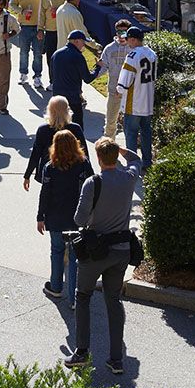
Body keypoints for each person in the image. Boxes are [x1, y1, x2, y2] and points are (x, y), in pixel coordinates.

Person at [64, 137, 141, 375]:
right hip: (121, 251)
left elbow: (79, 219)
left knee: (84, 297)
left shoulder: (92, 183)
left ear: (98, 159)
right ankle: (116, 359)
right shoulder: (129, 179)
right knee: (114, 301)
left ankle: (82, 352)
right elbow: (137, 159)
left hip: (95, 252)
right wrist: (121, 149)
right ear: (116, 155)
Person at [38, 128, 93, 306]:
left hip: (55, 217)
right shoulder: (83, 164)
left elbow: (44, 193)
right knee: (76, 257)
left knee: (57, 251)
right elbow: (92, 187)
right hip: (78, 216)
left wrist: (40, 216)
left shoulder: (50, 167)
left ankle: (55, 287)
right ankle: (75, 297)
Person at [116, 25, 158, 170]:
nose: (127, 42)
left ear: (133, 40)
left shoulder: (133, 55)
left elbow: (125, 79)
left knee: (131, 134)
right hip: (147, 101)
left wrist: (119, 89)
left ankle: (133, 164)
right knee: (146, 133)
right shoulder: (152, 53)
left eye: (128, 40)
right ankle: (147, 162)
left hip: (133, 103)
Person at [23, 96, 87, 189]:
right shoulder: (75, 128)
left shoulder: (43, 130)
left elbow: (36, 154)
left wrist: (27, 175)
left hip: (49, 172)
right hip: (72, 170)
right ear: (67, 110)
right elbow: (84, 153)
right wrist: (89, 174)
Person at [50, 30, 100, 129]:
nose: (84, 45)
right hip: (73, 98)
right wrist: (97, 67)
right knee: (76, 127)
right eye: (83, 42)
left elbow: (52, 74)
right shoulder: (78, 56)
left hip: (57, 97)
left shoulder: (56, 54)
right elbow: (88, 78)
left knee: (58, 126)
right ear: (76, 41)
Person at [9, 0, 44, 84]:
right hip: (24, 25)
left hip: (39, 25)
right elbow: (12, 4)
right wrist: (21, 11)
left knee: (38, 52)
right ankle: (23, 74)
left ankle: (37, 75)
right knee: (24, 51)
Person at [98, 20, 130, 139]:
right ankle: (108, 146)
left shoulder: (134, 48)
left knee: (131, 124)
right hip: (114, 91)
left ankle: (131, 148)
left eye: (125, 32)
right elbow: (102, 68)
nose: (122, 35)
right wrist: (89, 76)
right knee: (110, 122)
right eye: (119, 32)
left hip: (131, 92)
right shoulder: (109, 48)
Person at [37, 0, 67, 86]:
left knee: (64, 57)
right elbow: (41, 13)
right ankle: (52, 80)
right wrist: (40, 29)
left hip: (63, 29)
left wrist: (59, 9)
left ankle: (63, 80)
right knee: (51, 56)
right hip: (50, 29)